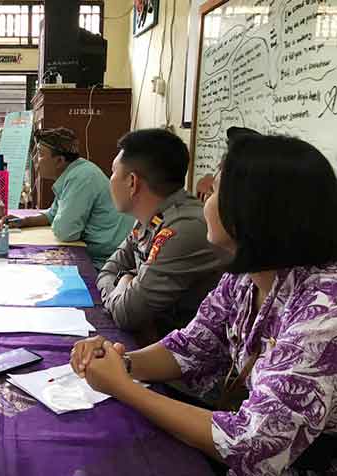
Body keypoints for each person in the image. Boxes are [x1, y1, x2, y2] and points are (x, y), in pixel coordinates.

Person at [71, 133, 337, 475]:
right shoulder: (245, 274)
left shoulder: (323, 310)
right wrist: (120, 363)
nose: (205, 196)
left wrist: (124, 388)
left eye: (216, 190)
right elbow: (191, 347)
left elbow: (252, 442)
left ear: (252, 210)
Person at [96, 129, 225, 343]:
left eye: (112, 172)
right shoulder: (151, 218)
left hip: (187, 360)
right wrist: (124, 284)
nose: (110, 180)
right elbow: (108, 270)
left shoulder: (183, 229)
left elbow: (126, 313)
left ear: (132, 182)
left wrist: (125, 280)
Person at [3, 127, 133, 270]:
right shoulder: (73, 173)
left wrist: (59, 220)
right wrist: (24, 221)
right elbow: (53, 213)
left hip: (105, 261)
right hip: (98, 254)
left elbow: (65, 232)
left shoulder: (82, 177)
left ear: (59, 160)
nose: (34, 159)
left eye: (39, 154)